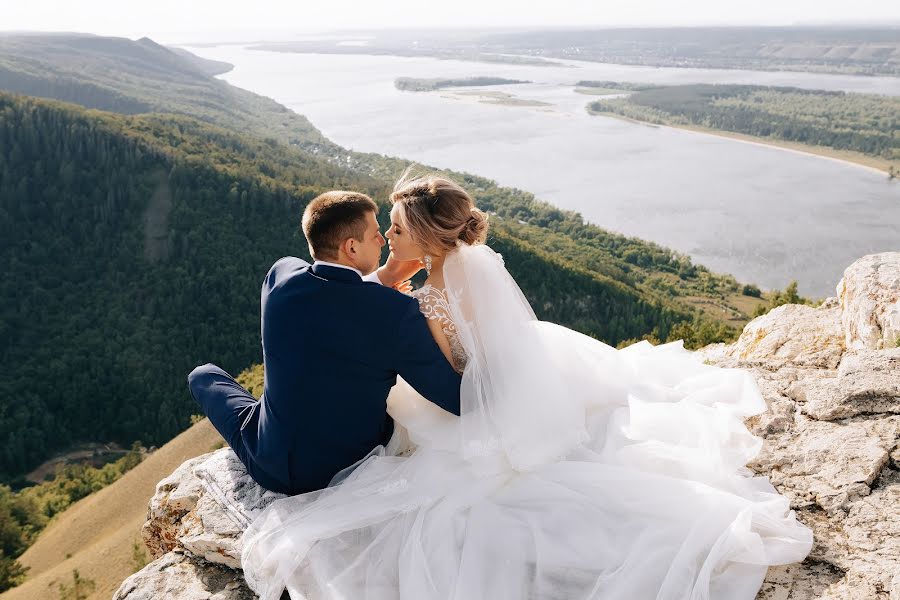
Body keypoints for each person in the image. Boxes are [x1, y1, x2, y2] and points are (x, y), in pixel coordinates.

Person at [240, 173, 814, 599]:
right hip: (501, 385)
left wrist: (394, 303)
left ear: (419, 232)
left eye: (393, 227)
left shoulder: (429, 298)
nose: (388, 238)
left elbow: (447, 384)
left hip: (468, 402)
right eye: (384, 230)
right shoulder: (465, 268)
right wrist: (392, 288)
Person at [187, 190, 462, 496]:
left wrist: (383, 276)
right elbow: (454, 398)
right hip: (347, 469)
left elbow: (329, 294)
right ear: (351, 247)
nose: (383, 241)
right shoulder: (394, 312)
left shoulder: (279, 280)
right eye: (374, 235)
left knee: (202, 375)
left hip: (270, 463)